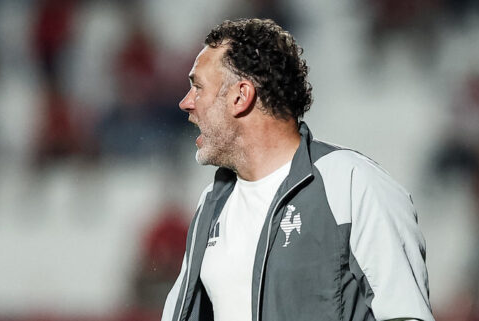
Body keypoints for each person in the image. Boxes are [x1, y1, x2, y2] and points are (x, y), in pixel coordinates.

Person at [162, 18, 434, 321]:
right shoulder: (212, 204)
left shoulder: (352, 184)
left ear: (240, 96)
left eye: (197, 87)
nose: (186, 103)